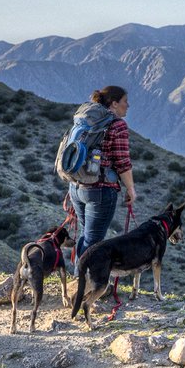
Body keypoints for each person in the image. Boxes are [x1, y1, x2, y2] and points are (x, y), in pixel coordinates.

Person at [68, 85, 137, 262]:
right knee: (93, 242)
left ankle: (79, 280)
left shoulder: (88, 120)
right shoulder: (117, 125)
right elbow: (122, 162)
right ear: (114, 104)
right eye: (124, 102)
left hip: (77, 187)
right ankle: (83, 285)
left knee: (86, 235)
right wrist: (130, 189)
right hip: (100, 189)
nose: (127, 105)